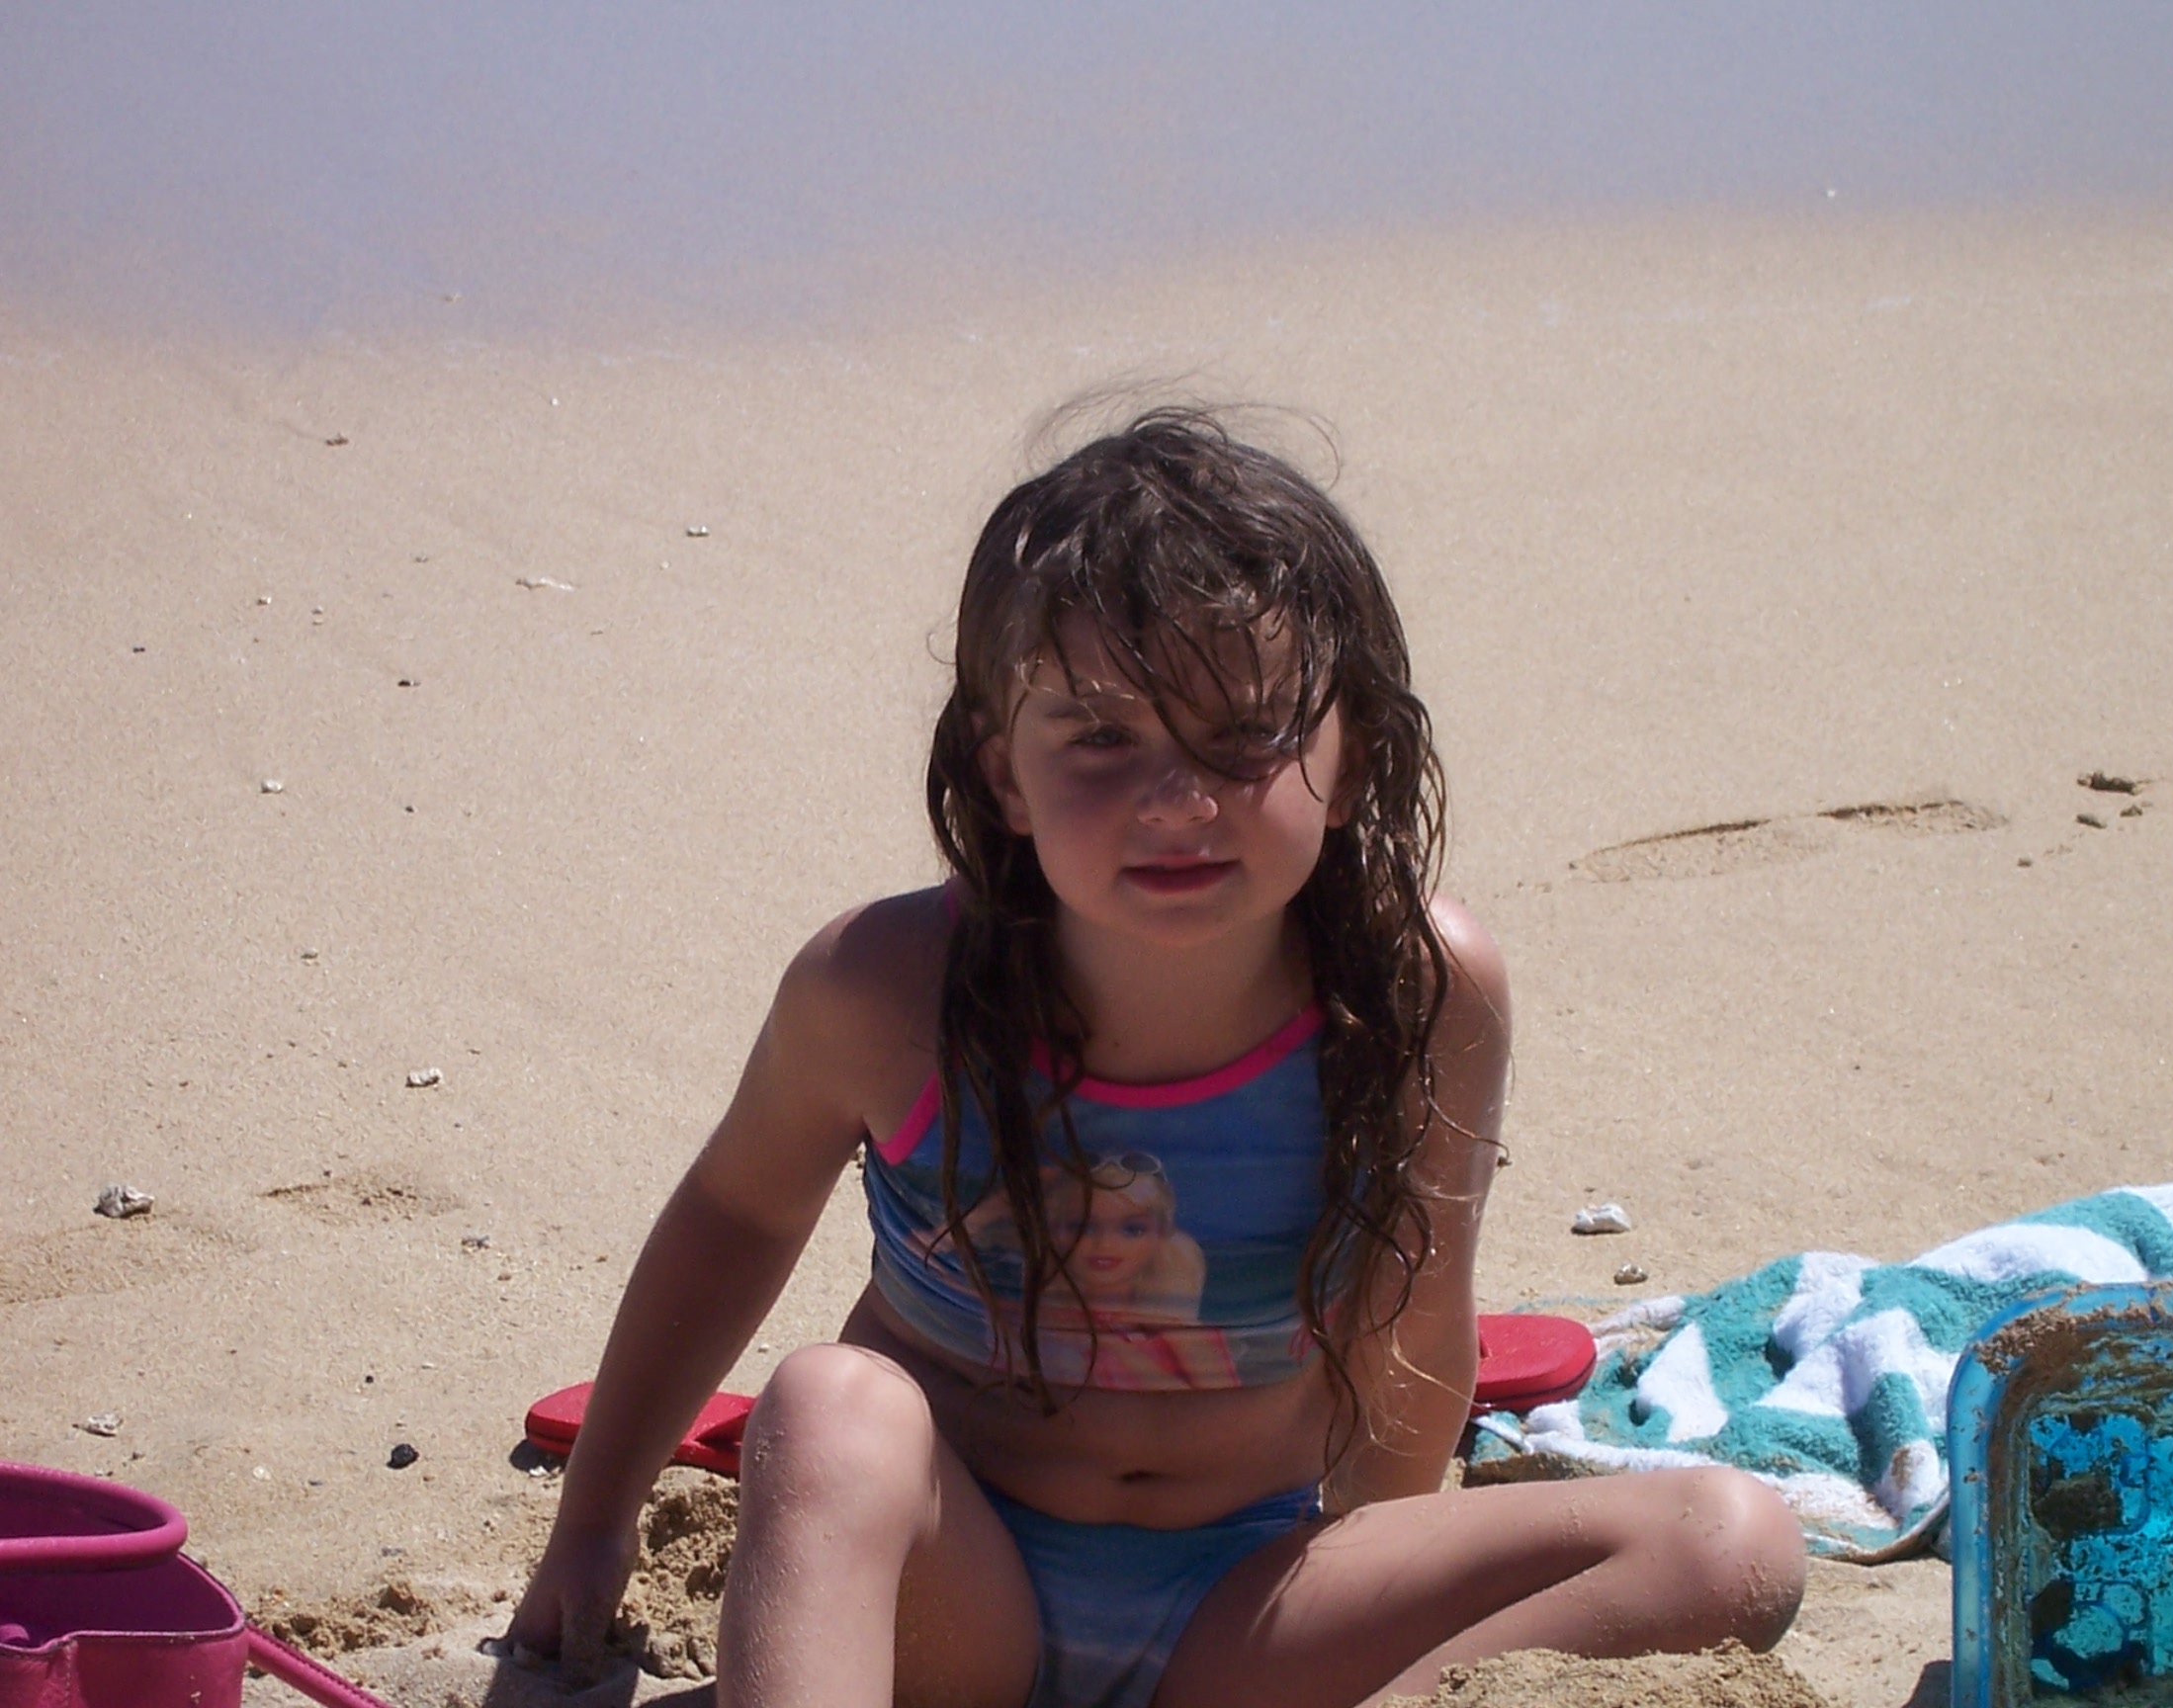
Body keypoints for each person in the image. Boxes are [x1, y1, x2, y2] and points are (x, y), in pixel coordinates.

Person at [505, 409, 1806, 1708]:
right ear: (1001, 773)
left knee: (1732, 1544)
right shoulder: (885, 990)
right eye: (1100, 738)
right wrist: (595, 1525)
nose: (1176, 804)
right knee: (831, 1407)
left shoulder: (1414, 987)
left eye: (1244, 737)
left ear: (1352, 757)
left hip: (1239, 1608)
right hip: (952, 1600)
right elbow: (734, 1216)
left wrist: (1376, 1592)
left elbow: (1413, 1327)